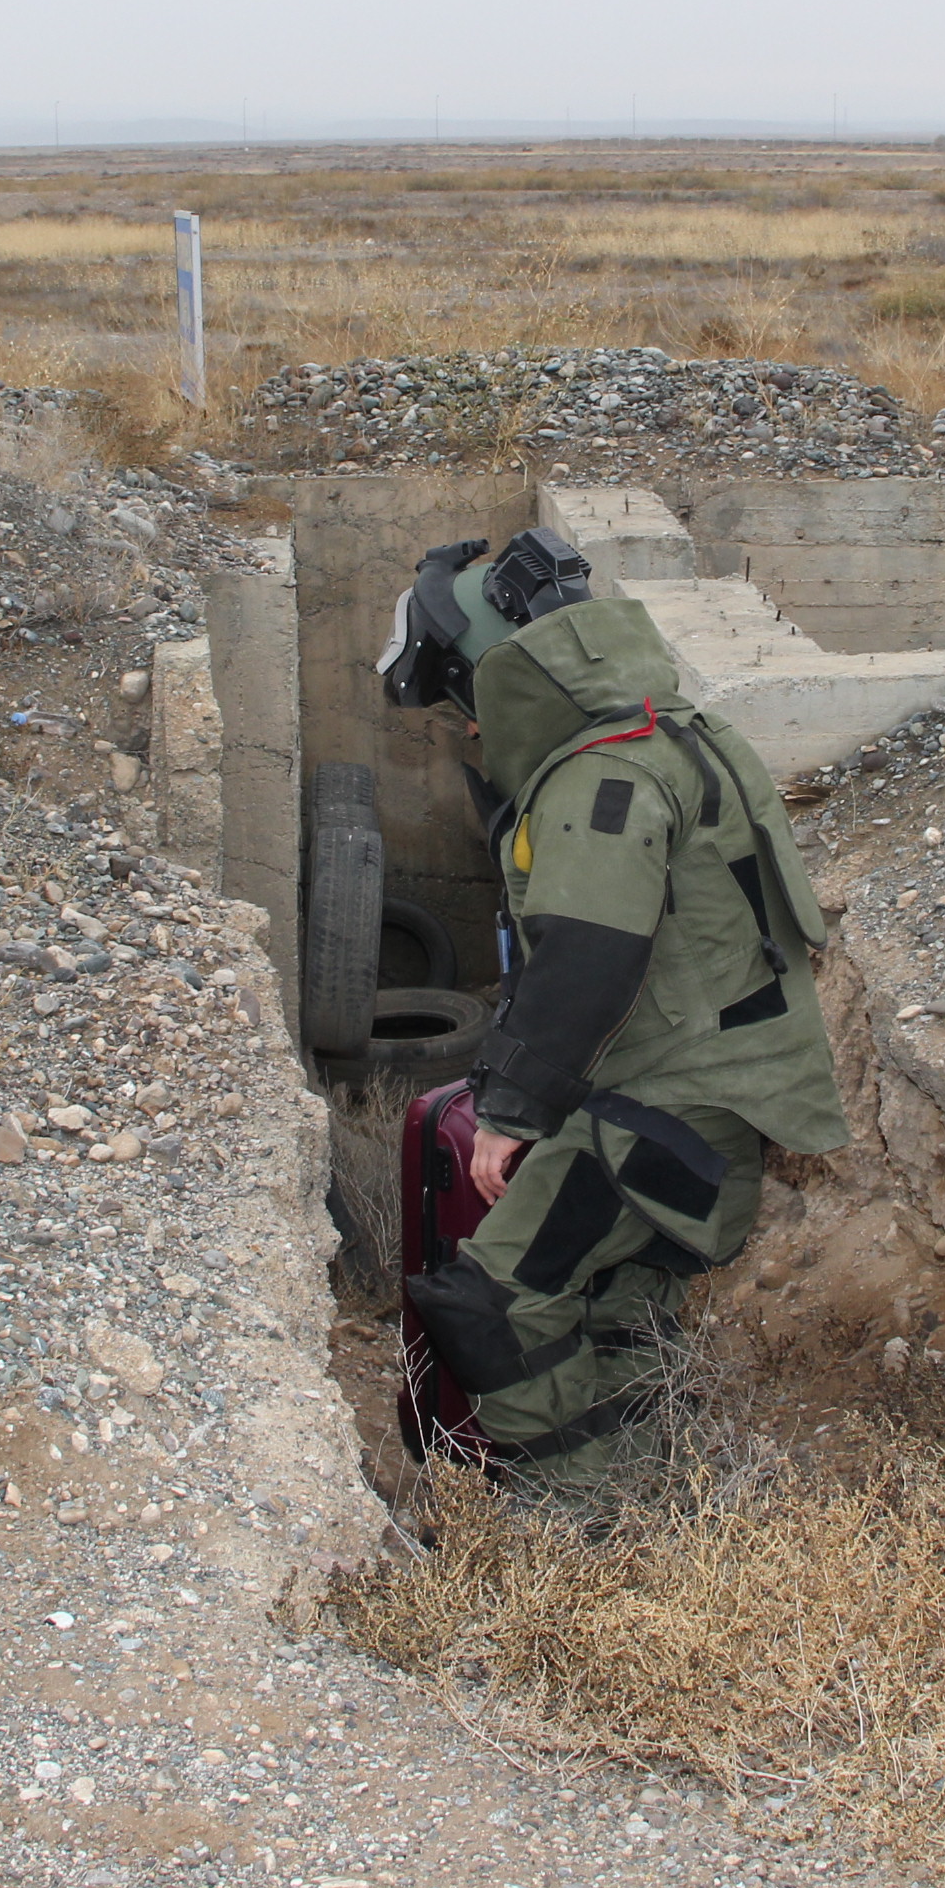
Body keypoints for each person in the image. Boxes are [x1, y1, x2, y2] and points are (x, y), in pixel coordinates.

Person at [374, 528, 847, 1489]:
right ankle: (650, 1486)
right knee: (614, 1298)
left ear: (492, 677)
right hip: (702, 1088)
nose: (465, 728)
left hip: (678, 1100)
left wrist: (507, 1117)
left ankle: (580, 1520)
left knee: (498, 1302)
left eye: (460, 702)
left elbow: (589, 956)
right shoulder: (664, 733)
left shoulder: (604, 774)